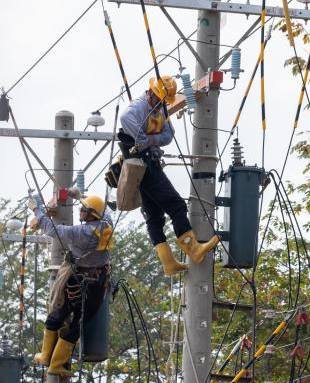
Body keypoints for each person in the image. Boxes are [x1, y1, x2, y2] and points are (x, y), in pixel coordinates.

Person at [119, 76, 218, 275]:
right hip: (143, 164)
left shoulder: (161, 109)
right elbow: (128, 124)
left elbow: (168, 136)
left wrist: (150, 140)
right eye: (159, 99)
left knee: (154, 217)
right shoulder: (135, 110)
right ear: (151, 93)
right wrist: (148, 141)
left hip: (146, 161)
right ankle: (194, 250)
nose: (162, 104)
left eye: (165, 101)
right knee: (176, 205)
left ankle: (168, 263)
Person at [31, 193, 112, 377]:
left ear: (92, 214)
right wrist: (80, 195)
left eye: (84, 209)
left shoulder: (81, 233)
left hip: (77, 281)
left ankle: (51, 360)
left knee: (65, 316)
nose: (80, 210)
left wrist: (36, 209)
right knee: (73, 320)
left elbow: (52, 230)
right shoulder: (106, 223)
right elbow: (105, 209)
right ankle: (50, 360)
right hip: (94, 283)